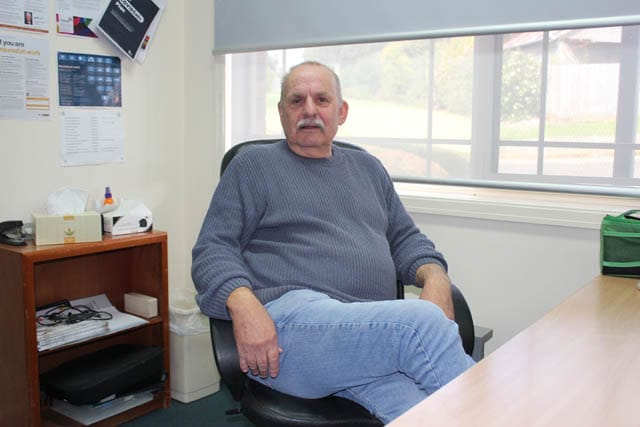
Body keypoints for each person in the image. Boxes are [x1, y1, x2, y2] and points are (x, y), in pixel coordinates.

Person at [192, 61, 474, 423]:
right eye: (296, 101)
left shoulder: (368, 169)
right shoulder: (253, 166)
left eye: (321, 99)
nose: (309, 110)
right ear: (281, 113)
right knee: (420, 324)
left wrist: (436, 277)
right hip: (288, 331)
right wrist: (243, 304)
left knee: (426, 415)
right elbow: (212, 249)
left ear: (341, 112)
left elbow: (405, 239)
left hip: (363, 339)